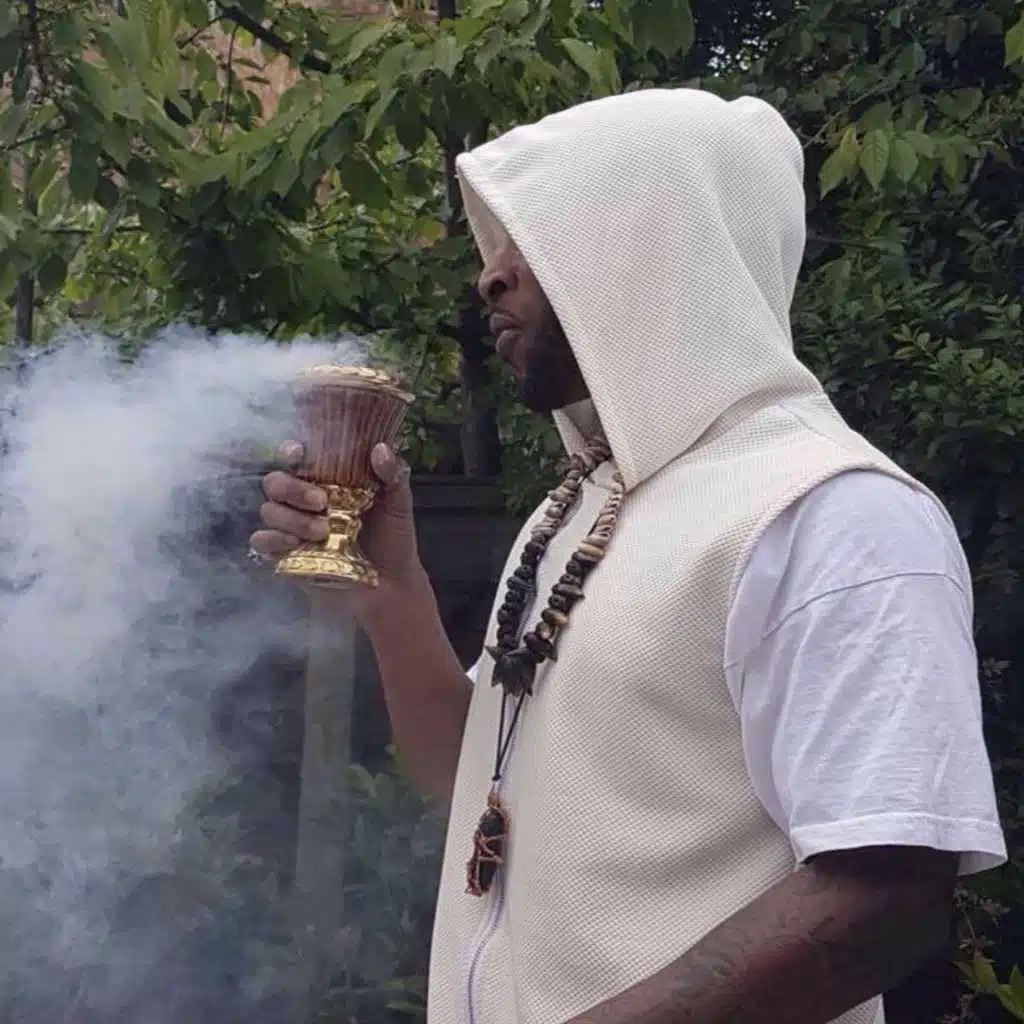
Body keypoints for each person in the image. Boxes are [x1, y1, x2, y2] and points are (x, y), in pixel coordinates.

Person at [250, 89, 1006, 1024]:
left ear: (654, 249)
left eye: (535, 240)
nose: (490, 278)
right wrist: (392, 590)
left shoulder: (834, 512)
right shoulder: (578, 511)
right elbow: (465, 775)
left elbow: (882, 899)